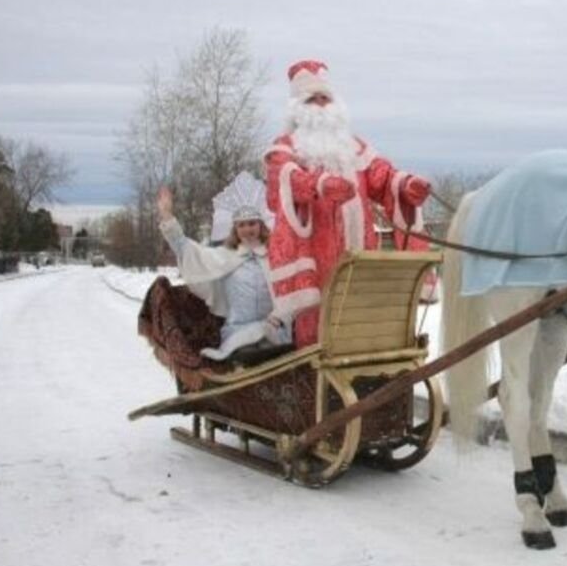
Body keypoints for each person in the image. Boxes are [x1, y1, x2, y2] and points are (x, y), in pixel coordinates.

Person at [265, 60, 431, 346]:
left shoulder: (355, 147)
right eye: (312, 99)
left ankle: (367, 376)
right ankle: (315, 383)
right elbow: (283, 180)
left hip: (361, 256)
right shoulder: (286, 147)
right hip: (317, 262)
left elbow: (381, 175)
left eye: (325, 98)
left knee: (362, 321)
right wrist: (318, 185)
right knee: (318, 330)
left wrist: (405, 185)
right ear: (298, 107)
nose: (320, 105)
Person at [156, 171, 291, 361]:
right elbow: (188, 250)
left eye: (252, 223)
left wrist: (280, 317)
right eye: (241, 225)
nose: (248, 229)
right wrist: (167, 217)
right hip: (238, 334)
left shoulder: (276, 257)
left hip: (276, 331)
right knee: (248, 358)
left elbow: (290, 291)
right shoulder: (225, 256)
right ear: (235, 229)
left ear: (261, 225)